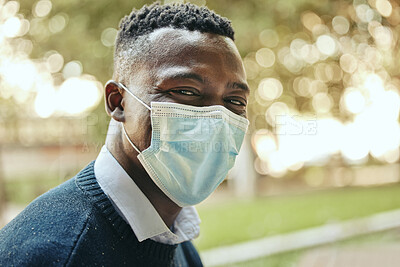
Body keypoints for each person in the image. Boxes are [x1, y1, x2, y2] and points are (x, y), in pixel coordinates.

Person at [0, 2, 249, 266]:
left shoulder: (178, 238)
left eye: (236, 101)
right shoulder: (53, 254)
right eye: (186, 91)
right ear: (118, 102)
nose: (216, 119)